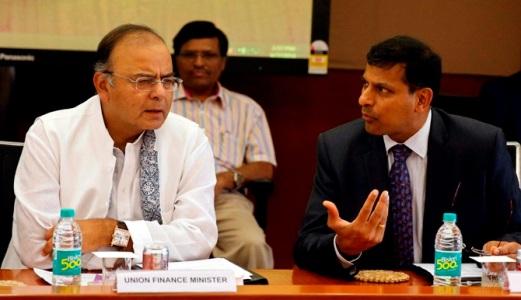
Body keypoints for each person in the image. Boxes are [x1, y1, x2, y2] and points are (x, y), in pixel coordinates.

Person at [293, 35, 521, 278]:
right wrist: (344, 246)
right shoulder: (338, 148)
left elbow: (516, 229)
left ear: (422, 99)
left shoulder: (480, 146)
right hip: (373, 293)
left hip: (452, 291)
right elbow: (306, 246)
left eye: (382, 89)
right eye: (365, 85)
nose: (364, 100)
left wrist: (510, 247)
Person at [2, 24, 217, 269]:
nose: (160, 93)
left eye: (167, 81)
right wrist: (145, 246)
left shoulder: (190, 140)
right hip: (52, 287)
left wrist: (110, 232)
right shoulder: (51, 134)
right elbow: (36, 249)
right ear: (104, 85)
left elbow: (199, 239)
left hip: (144, 289)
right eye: (144, 81)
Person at [171, 21, 276, 269]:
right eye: (189, 55)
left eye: (208, 55)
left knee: (252, 244)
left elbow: (265, 167)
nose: (198, 63)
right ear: (176, 60)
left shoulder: (247, 108)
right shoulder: (159, 102)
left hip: (223, 198)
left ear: (223, 62)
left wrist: (227, 178)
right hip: (166, 196)